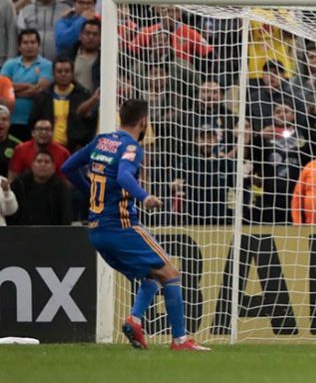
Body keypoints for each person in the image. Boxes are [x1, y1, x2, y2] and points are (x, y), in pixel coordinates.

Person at [61, 99, 210, 351]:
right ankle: (180, 341)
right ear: (144, 121)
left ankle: (135, 320)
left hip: (97, 230)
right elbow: (123, 176)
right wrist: (145, 196)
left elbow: (67, 167)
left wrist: (89, 191)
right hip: (122, 226)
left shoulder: (101, 141)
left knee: (153, 275)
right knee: (171, 274)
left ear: (121, 117)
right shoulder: (131, 146)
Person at [8, 150, 73, 225]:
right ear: (32, 166)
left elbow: (66, 216)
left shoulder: (61, 187)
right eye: (39, 161)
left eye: (47, 162)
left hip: (52, 233)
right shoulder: (19, 184)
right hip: (20, 232)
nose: (43, 164)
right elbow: (10, 212)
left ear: (54, 167)